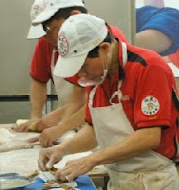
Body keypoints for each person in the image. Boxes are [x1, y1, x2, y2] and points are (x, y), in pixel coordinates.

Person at [38, 14, 179, 189]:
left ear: (104, 49)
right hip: (118, 179)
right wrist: (63, 149)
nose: (81, 75)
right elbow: (93, 131)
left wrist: (92, 159)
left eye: (83, 67)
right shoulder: (98, 76)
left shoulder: (148, 68)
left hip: (153, 180)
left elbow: (149, 137)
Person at [13, 0, 127, 147]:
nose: (46, 36)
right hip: (80, 123)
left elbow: (87, 98)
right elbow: (39, 80)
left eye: (50, 29)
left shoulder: (104, 42)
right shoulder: (51, 41)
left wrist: (60, 125)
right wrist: (39, 119)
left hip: (102, 127)